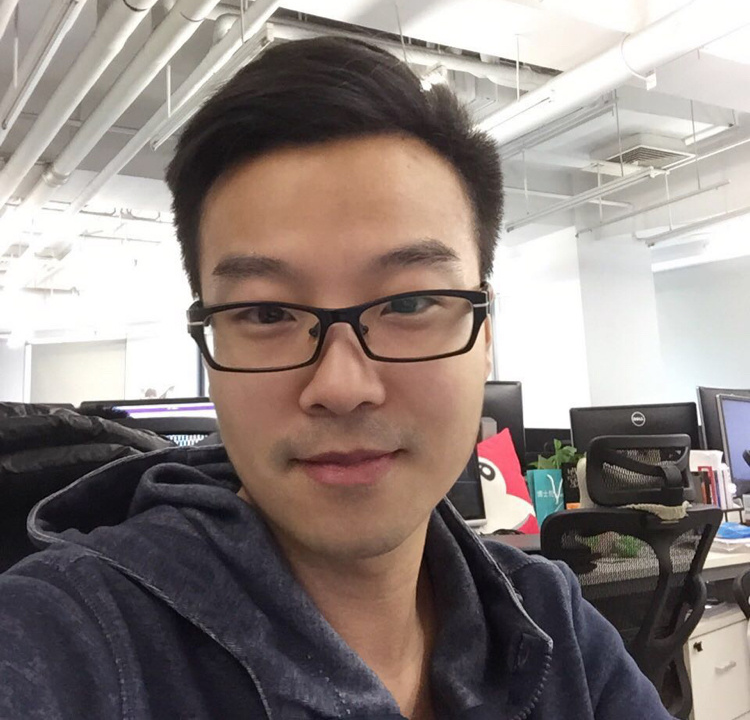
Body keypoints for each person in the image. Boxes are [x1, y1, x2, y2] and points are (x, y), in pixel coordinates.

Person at [0, 37, 674, 720]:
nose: (342, 386)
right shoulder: (62, 642)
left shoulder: (554, 626)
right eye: (266, 313)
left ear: (486, 336)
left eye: (410, 303)